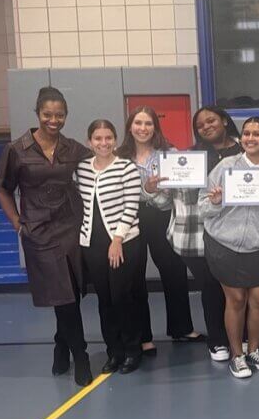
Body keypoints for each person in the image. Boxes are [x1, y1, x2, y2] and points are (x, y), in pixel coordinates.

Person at [0, 87, 94, 385]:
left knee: (71, 291)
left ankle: (60, 344)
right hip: (38, 231)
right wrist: (16, 222)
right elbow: (3, 187)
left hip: (71, 226)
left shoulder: (73, 148)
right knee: (62, 294)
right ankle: (81, 355)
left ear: (66, 115)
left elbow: (104, 161)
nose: (54, 120)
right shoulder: (17, 149)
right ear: (37, 113)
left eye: (60, 115)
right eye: (47, 115)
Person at [140, 107, 238, 362]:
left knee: (239, 288)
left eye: (211, 121)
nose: (206, 127)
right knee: (211, 286)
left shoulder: (245, 150)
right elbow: (165, 202)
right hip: (197, 235)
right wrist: (152, 189)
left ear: (224, 121)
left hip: (238, 233)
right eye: (200, 125)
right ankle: (218, 341)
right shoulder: (189, 158)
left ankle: (241, 338)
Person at [200, 117, 259, 379]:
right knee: (237, 299)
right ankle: (237, 356)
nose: (251, 138)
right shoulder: (226, 166)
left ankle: (254, 350)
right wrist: (216, 201)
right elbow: (204, 207)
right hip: (224, 244)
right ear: (241, 138)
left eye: (257, 134)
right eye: (246, 133)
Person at [116, 107, 204, 362]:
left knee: (174, 271)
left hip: (162, 216)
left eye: (148, 124)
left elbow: (174, 193)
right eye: (138, 123)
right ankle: (143, 337)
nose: (143, 128)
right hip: (130, 220)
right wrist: (147, 189)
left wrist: (154, 192)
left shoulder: (170, 154)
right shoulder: (120, 157)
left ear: (155, 127)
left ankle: (182, 328)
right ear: (130, 127)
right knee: (134, 277)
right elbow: (123, 193)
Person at [75, 120, 144, 375]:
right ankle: (113, 351)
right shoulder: (82, 168)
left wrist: (117, 240)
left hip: (123, 242)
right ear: (89, 142)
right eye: (97, 138)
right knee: (104, 300)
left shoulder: (127, 167)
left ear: (115, 140)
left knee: (121, 297)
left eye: (108, 138)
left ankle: (132, 350)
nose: (103, 143)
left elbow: (131, 206)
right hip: (92, 244)